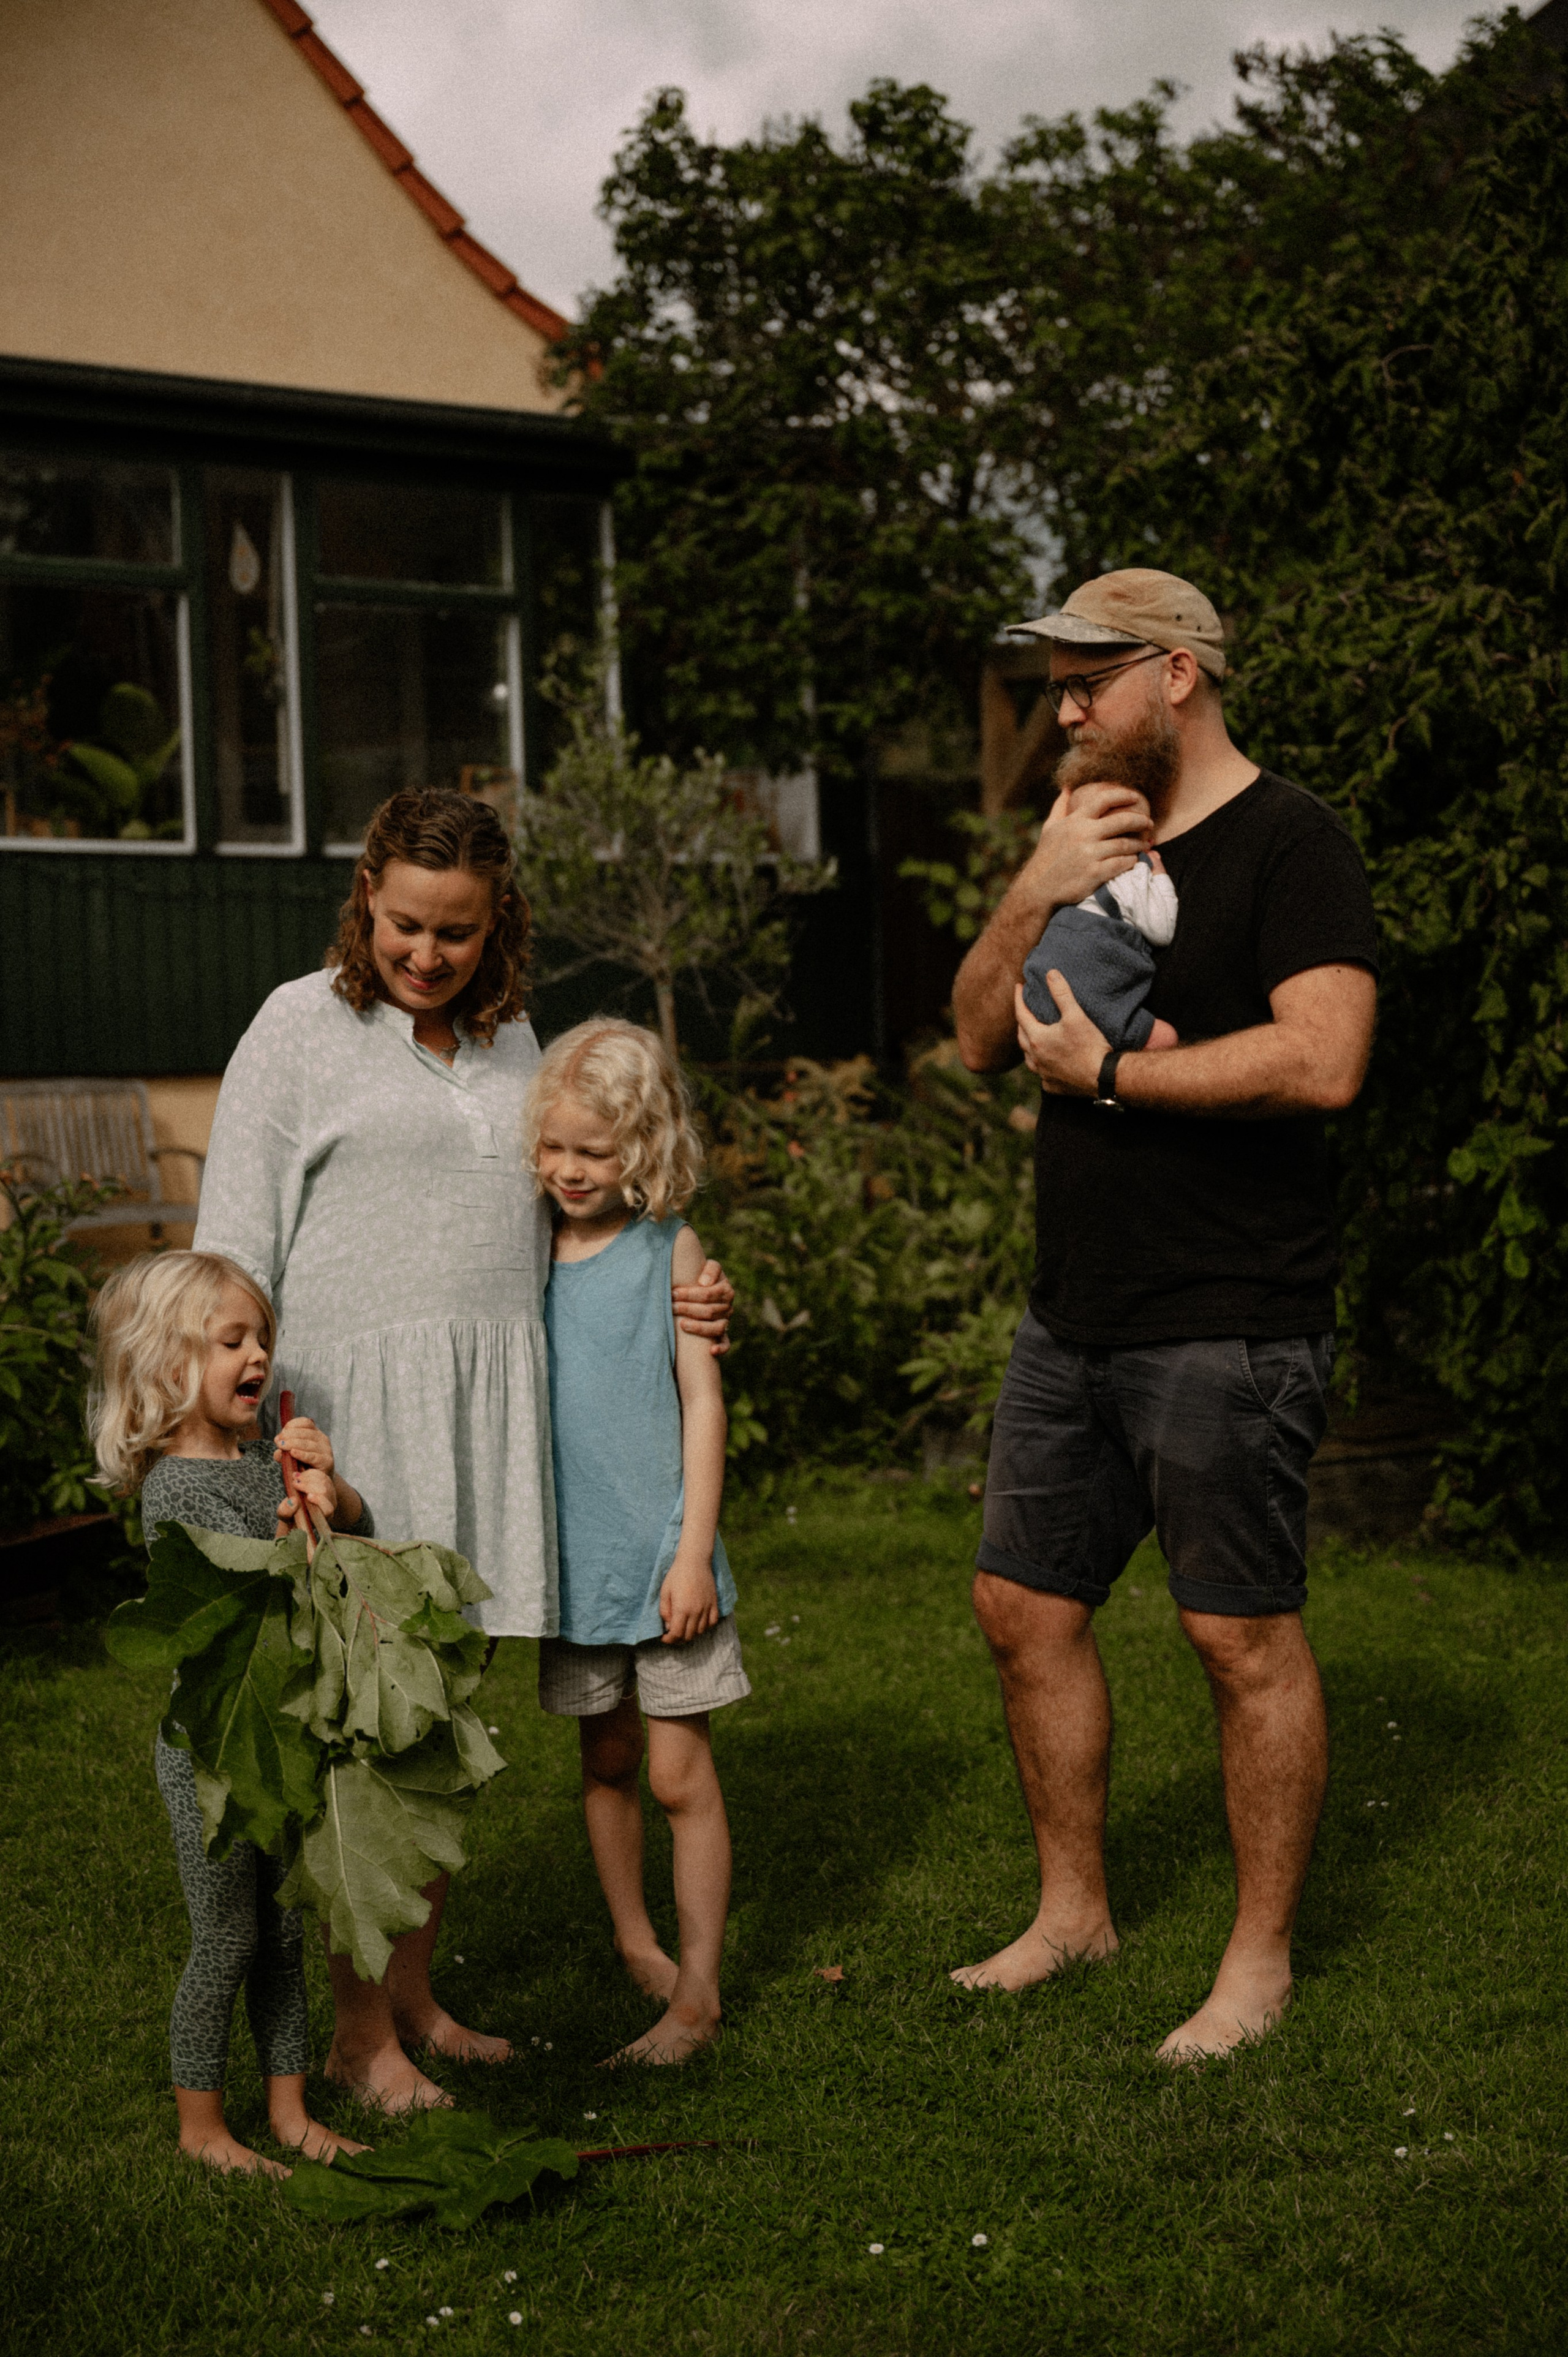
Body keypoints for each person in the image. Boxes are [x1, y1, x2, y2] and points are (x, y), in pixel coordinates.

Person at [193, 787, 734, 2110]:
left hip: (492, 1427)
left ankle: (415, 1998)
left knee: (435, 1734)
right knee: (367, 1741)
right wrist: (250, 1438)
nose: (425, 954)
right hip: (350, 1427)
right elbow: (229, 1251)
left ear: (498, 925)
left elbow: (573, 1211)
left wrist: (682, 1293)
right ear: (364, 895)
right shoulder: (296, 1028)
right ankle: (359, 2036)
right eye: (402, 925)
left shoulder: (514, 1046)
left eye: (455, 931)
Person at [949, 567, 1379, 2061]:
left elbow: (1323, 1059)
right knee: (1020, 1608)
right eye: (1054, 680)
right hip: (1072, 1310)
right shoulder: (1083, 838)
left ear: (1177, 673)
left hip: (1229, 1309)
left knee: (1234, 1635)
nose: (1062, 706)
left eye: (1087, 677)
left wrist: (1117, 1077)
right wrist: (1029, 884)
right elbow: (969, 1037)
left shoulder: (1289, 842)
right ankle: (1073, 1910)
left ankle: (1253, 1960)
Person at [89, 1250, 371, 2174]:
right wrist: (294, 1526)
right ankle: (202, 2126)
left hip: (281, 1738)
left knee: (285, 1932)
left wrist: (332, 1489)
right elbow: (242, 1591)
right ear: (170, 1364)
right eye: (232, 1341)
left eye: (264, 1340)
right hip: (212, 1751)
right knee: (229, 1935)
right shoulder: (176, 1488)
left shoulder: (264, 1462)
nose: (258, 1357)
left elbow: (350, 1542)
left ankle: (290, 2112)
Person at [525, 1019, 747, 2067]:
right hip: (570, 1568)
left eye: (596, 1151)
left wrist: (693, 1550)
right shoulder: (522, 1253)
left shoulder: (673, 1249)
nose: (570, 1170)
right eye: (555, 1146)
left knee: (675, 1772)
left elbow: (704, 1405)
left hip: (663, 1560)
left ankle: (698, 1993)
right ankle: (635, 1937)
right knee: (605, 1757)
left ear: (646, 1149)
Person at [1021, 846, 1180, 1052]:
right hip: (1090, 990)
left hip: (1038, 987)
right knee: (1166, 1038)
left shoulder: (1066, 865)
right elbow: (1163, 931)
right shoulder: (1134, 874)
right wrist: (1158, 874)